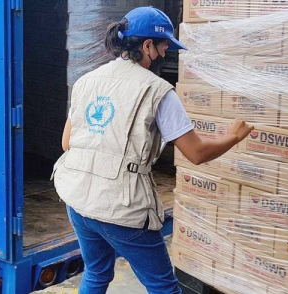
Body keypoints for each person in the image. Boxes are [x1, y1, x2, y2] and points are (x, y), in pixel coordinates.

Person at [52, 6, 254, 294]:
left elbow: (66, 143)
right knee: (163, 286)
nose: (164, 55)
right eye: (163, 47)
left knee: (96, 273)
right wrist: (232, 137)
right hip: (120, 207)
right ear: (147, 46)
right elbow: (196, 154)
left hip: (77, 197)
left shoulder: (87, 80)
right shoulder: (157, 91)